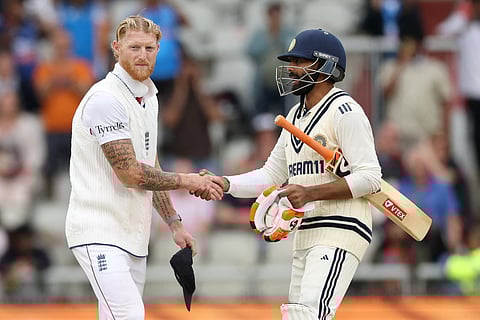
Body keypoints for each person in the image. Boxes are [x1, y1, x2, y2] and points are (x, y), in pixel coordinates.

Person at [201, 29, 382, 319]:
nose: (291, 69)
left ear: (325, 66)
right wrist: (225, 183)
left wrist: (310, 193)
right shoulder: (297, 115)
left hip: (341, 226)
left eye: (299, 61)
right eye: (291, 62)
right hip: (306, 230)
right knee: (297, 315)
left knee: (310, 314)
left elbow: (371, 178)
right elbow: (271, 174)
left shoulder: (345, 111)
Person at [65, 15, 224, 320]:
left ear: (158, 50)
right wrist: (189, 181)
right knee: (129, 315)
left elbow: (149, 162)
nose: (142, 55)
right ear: (116, 48)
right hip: (99, 230)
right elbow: (131, 174)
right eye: (134, 47)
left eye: (149, 48)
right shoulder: (104, 98)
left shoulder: (148, 97)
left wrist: (174, 222)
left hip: (133, 236)